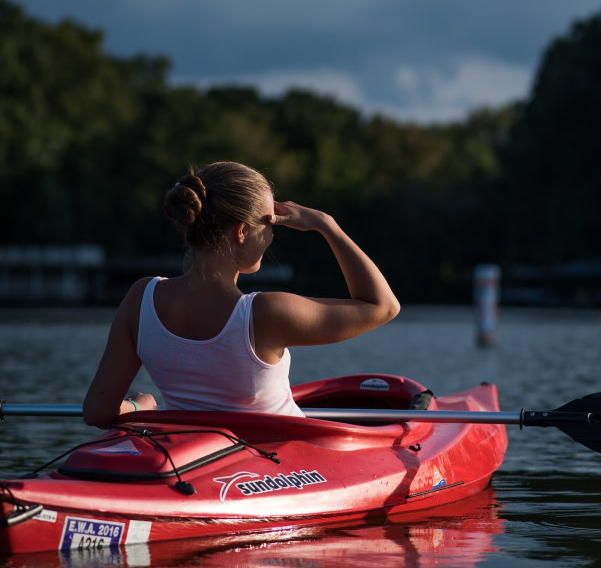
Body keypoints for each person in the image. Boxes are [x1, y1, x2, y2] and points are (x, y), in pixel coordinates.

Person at [83, 161, 400, 428]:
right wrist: (327, 226)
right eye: (270, 221)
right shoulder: (266, 313)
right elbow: (383, 306)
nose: (273, 233)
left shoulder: (141, 298)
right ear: (242, 231)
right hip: (279, 470)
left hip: (199, 465)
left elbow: (98, 412)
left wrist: (141, 410)